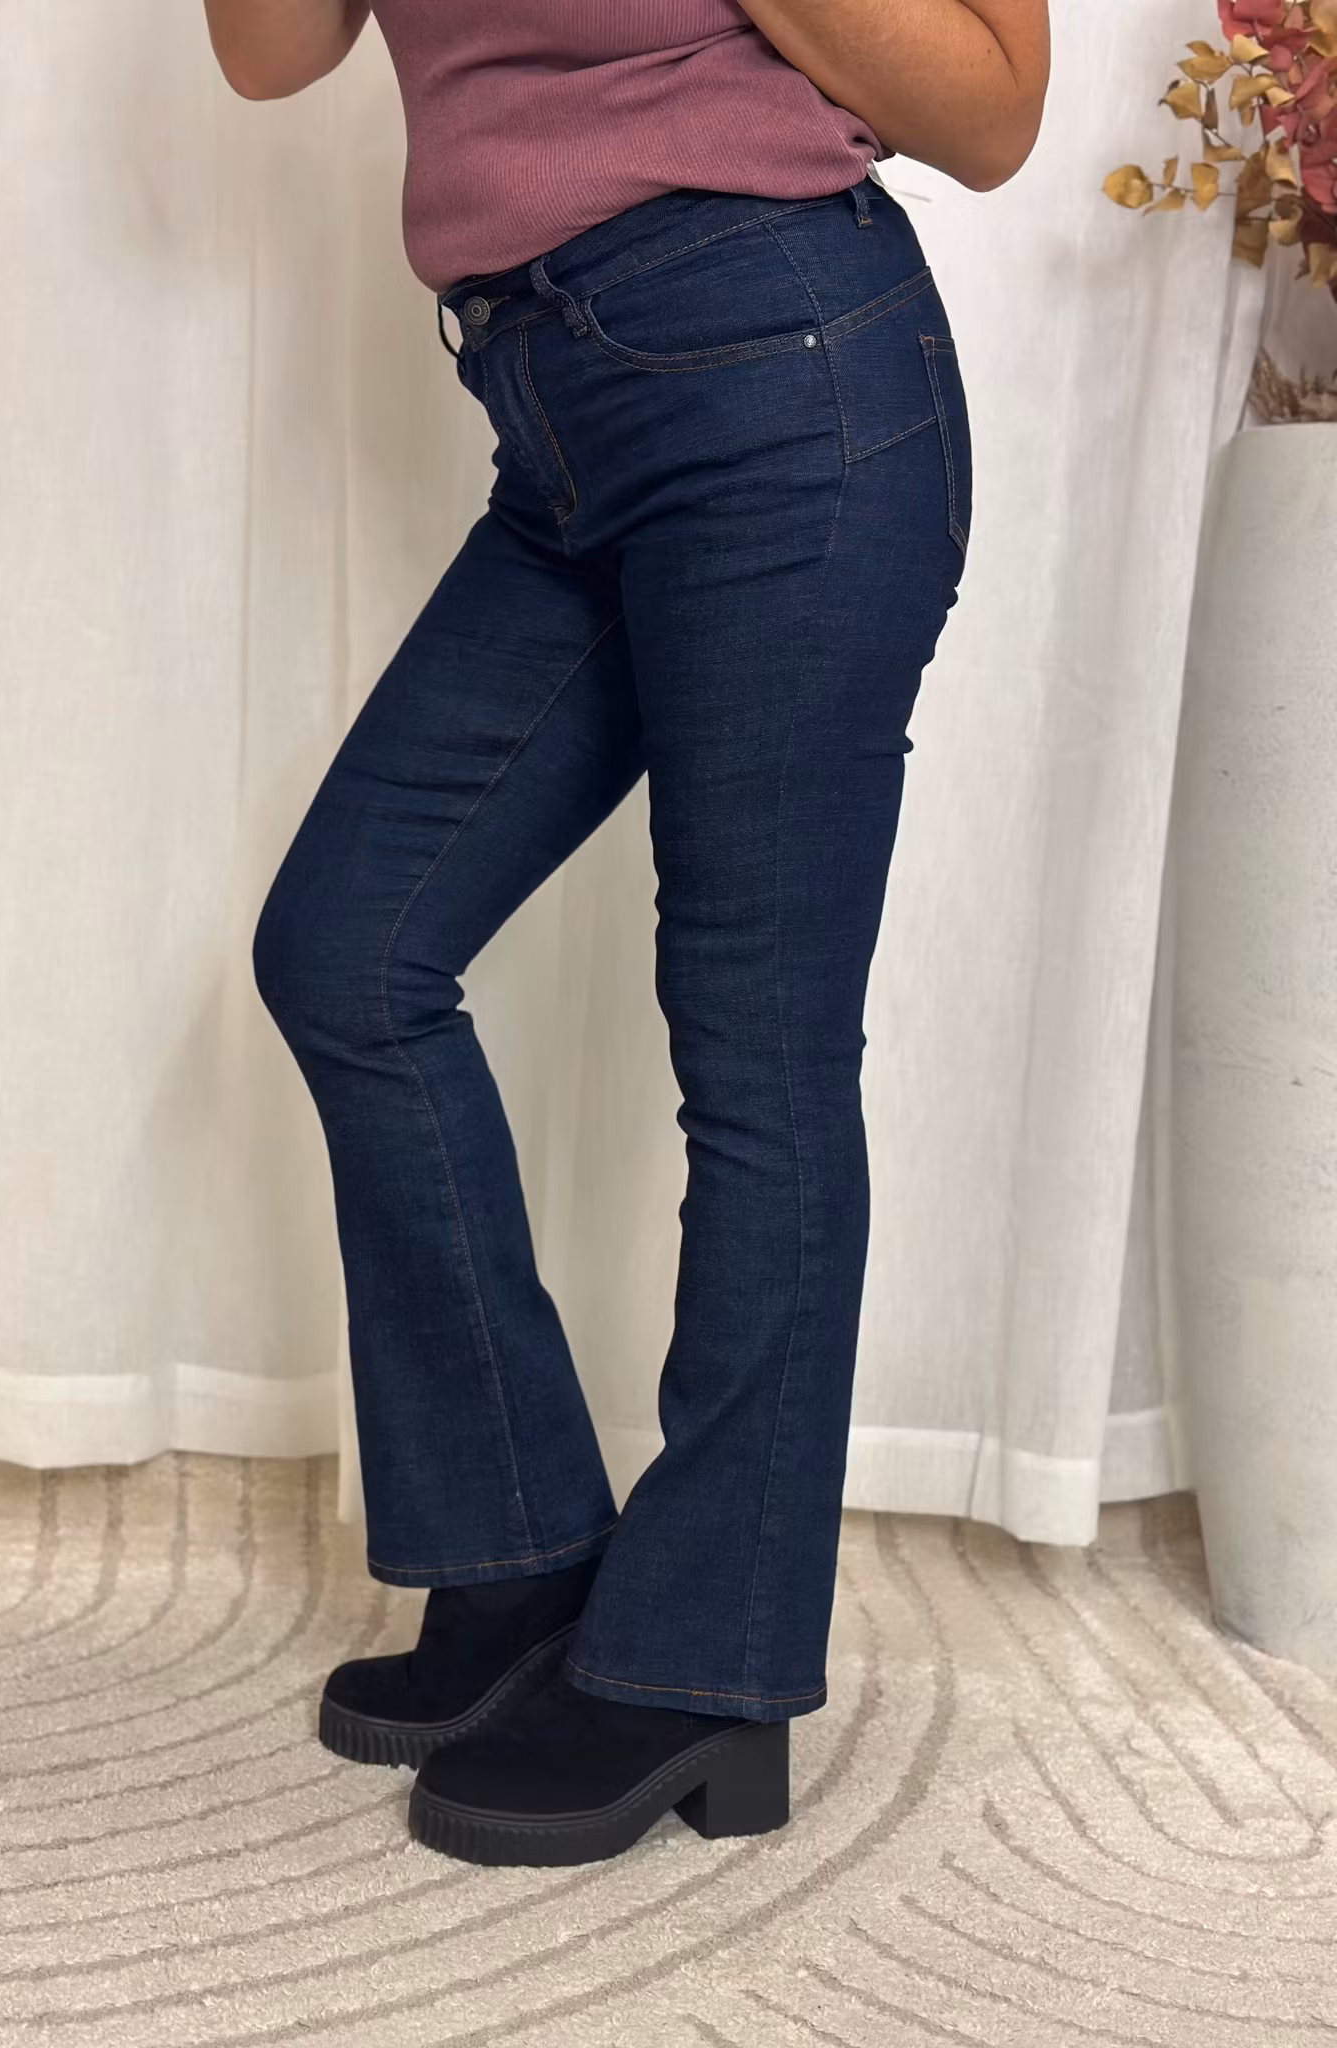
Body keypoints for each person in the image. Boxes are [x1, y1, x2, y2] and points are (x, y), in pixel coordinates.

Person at [209, 0, 1050, 1869]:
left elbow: (995, 116)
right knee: (348, 952)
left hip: (784, 385)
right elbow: (266, 54)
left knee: (757, 1055)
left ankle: (702, 1663)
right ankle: (519, 1551)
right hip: (554, 416)